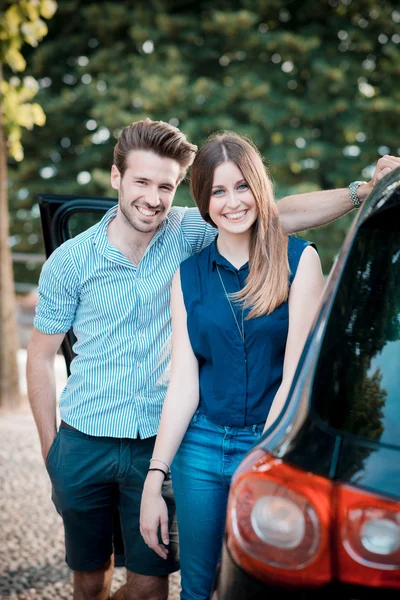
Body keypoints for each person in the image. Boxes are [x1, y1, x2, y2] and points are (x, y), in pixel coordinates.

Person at [27, 117, 399, 600]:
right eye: (141, 181)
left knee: (148, 587)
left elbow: (275, 213)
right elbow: (39, 358)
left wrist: (362, 191)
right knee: (88, 579)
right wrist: (51, 453)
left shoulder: (188, 229)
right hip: (86, 439)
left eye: (166, 186)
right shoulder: (72, 261)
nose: (153, 198)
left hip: (159, 439)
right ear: (117, 177)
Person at [138, 132, 397, 600]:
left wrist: (259, 464)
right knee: (196, 588)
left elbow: (294, 377)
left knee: (254, 585)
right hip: (197, 449)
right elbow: (183, 382)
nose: (232, 202)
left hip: (268, 441)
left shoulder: (300, 261)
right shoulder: (188, 274)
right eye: (218, 191)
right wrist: (155, 479)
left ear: (259, 188)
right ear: (203, 200)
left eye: (242, 187)